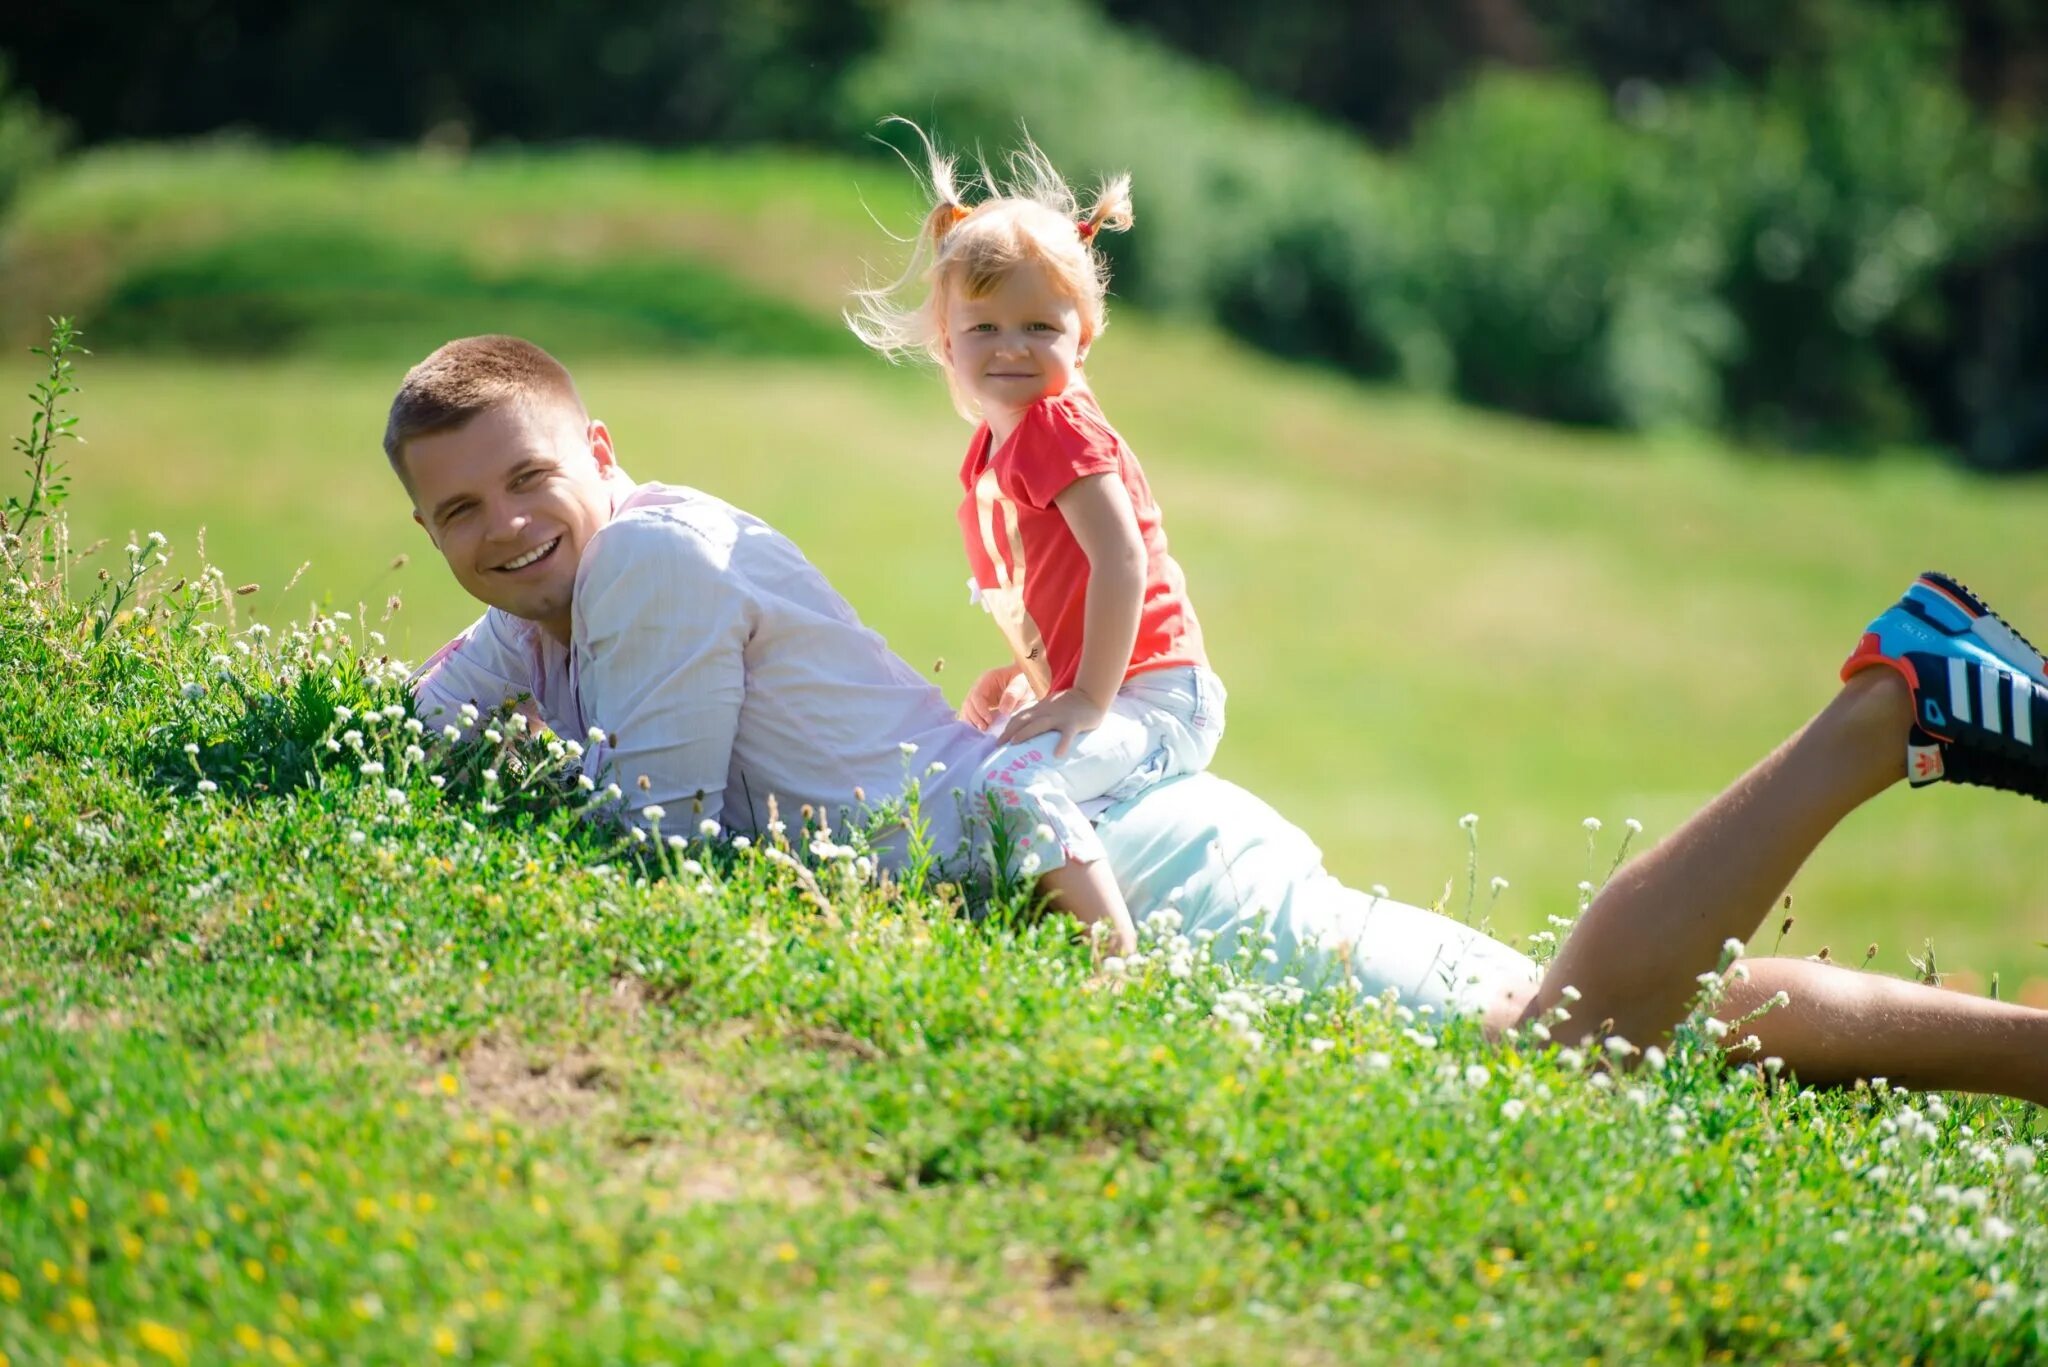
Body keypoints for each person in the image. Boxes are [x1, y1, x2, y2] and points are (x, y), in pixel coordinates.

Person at [388, 334, 2048, 1106]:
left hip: (1139, 875)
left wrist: (527, 763)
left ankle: (1882, 703)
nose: (506, 523)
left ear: (598, 447)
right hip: (1120, 844)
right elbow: (417, 727)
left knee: (1563, 1050)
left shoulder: (647, 571)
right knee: (1642, 1025)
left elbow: (647, 845)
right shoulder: (553, 601)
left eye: (529, 473)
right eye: (457, 512)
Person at [843, 127, 1223, 958]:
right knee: (986, 755)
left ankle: (1114, 962)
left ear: (1080, 337)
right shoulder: (999, 444)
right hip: (1119, 684)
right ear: (947, 340)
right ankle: (1016, 928)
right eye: (984, 328)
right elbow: (1057, 583)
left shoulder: (1057, 426)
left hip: (1156, 695)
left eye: (1039, 327)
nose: (1011, 346)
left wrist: (1085, 699)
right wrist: (1032, 677)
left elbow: (1120, 559)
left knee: (1013, 779)